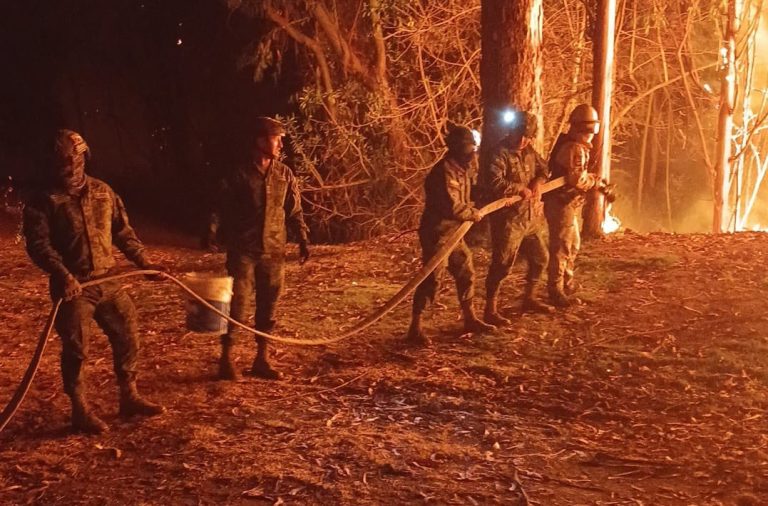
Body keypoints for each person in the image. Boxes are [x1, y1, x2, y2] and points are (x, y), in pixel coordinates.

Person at [22, 129, 166, 434]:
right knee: (76, 349)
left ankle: (129, 395)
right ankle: (79, 409)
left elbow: (123, 233)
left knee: (128, 334)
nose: (68, 166)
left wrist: (146, 263)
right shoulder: (44, 201)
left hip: (109, 281)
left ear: (83, 157)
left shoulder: (104, 192)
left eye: (72, 159)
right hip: (73, 288)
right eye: (60, 161)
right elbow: (39, 245)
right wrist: (63, 275)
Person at [206, 116, 310, 380]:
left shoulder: (284, 173)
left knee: (269, 306)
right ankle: (226, 360)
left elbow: (294, 209)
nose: (280, 144)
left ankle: (262, 359)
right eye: (277, 138)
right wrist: (211, 230)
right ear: (260, 140)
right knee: (237, 305)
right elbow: (218, 205)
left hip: (274, 251)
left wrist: (303, 238)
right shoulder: (239, 173)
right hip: (244, 250)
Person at [406, 124, 497, 346]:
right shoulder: (443, 172)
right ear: (456, 148)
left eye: (472, 148)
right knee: (432, 278)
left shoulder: (462, 169)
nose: (472, 153)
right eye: (468, 148)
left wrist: (484, 193)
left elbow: (467, 193)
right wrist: (473, 213)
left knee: (466, 271)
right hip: (438, 233)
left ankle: (470, 318)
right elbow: (452, 206)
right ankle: (415, 327)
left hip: (455, 232)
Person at [480, 110, 552, 326]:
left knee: (541, 258)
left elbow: (545, 169)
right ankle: (489, 309)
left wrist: (538, 181)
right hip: (508, 221)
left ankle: (529, 298)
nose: (522, 140)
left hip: (531, 218)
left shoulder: (529, 151)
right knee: (502, 264)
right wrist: (518, 189)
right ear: (511, 131)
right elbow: (493, 182)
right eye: (519, 135)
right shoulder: (498, 153)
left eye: (527, 136)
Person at [544, 104, 605, 307]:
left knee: (573, 245)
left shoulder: (577, 146)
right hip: (560, 204)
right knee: (562, 247)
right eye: (587, 130)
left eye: (592, 130)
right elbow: (576, 179)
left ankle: (566, 282)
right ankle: (556, 289)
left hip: (568, 203)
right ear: (577, 128)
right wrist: (595, 182)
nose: (590, 135)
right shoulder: (573, 149)